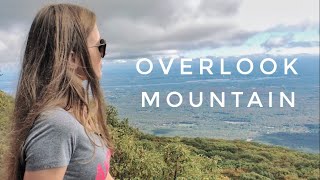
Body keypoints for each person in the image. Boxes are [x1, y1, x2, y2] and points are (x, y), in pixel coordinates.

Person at [4, 3, 115, 180]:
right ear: (72, 58)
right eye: (100, 45)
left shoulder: (75, 114)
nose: (103, 53)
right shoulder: (56, 125)